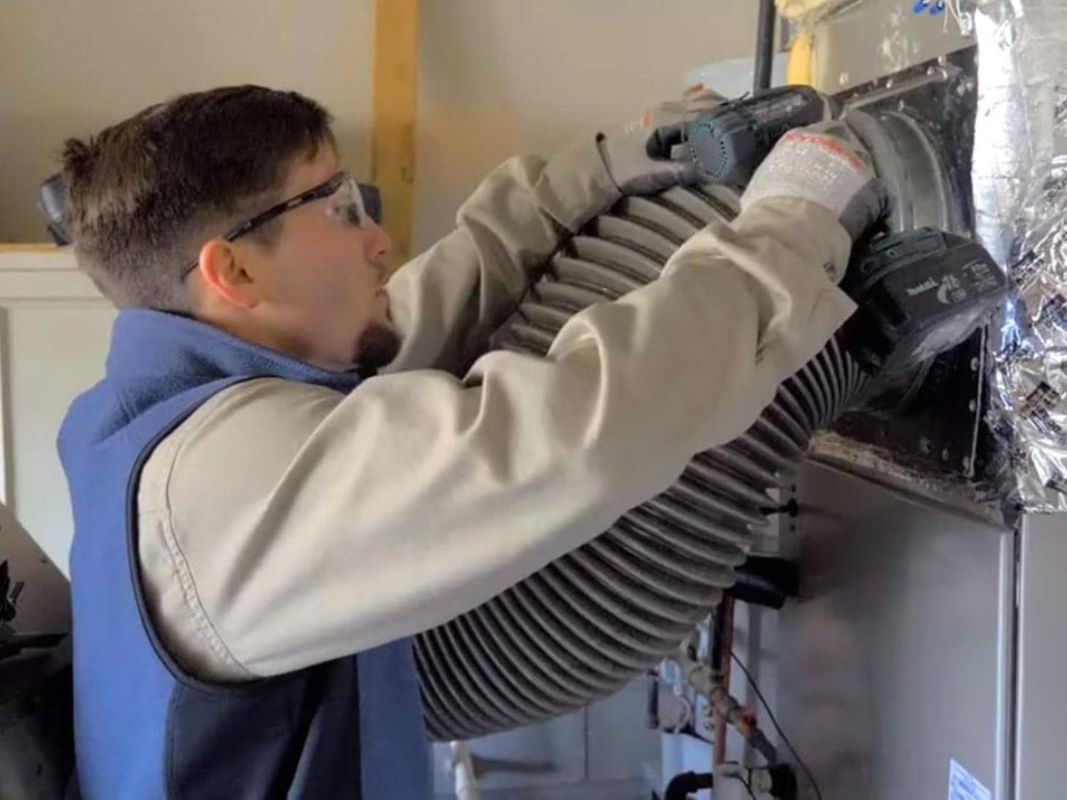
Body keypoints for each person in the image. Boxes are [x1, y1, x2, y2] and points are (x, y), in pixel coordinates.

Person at [57, 85, 886, 799]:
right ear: (233, 272)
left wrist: (599, 170)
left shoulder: (157, 412)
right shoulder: (216, 492)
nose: (377, 239)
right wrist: (793, 223)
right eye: (340, 209)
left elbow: (411, 320)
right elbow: (576, 431)